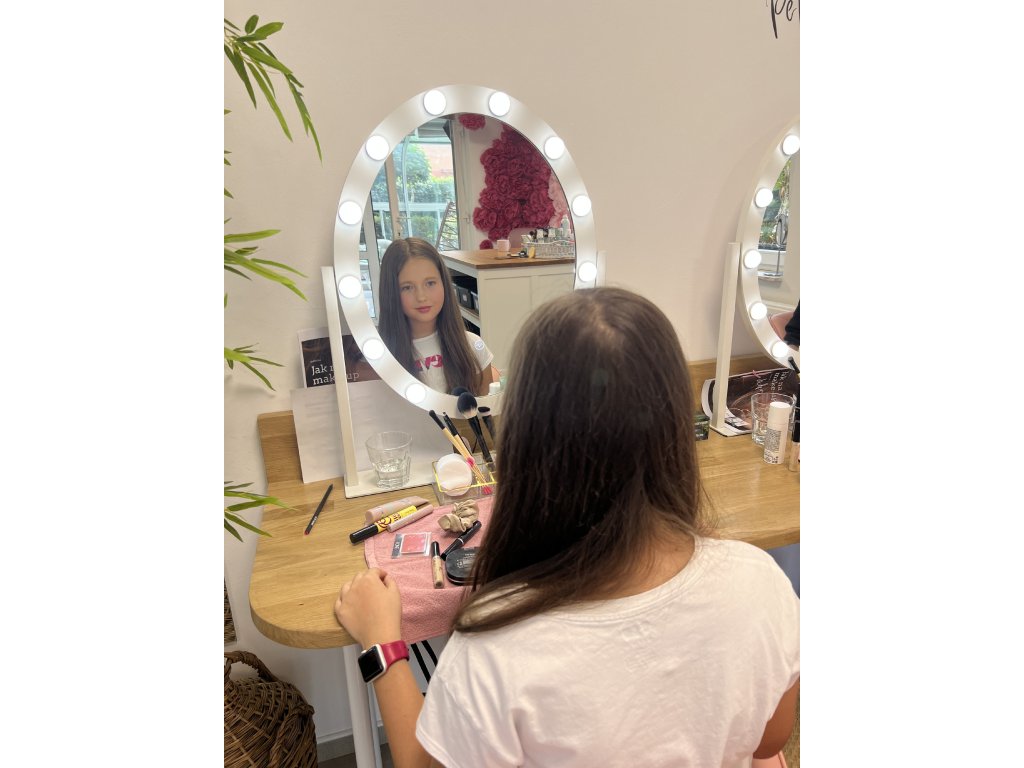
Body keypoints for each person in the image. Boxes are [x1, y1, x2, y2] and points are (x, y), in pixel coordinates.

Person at [335, 287, 800, 768]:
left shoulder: (495, 648)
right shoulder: (761, 582)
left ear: (526, 441)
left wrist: (382, 644)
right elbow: (769, 742)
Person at [378, 237, 497, 396]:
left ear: (444, 283)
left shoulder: (473, 347)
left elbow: (486, 409)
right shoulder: (379, 356)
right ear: (391, 292)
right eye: (407, 287)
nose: (421, 297)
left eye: (430, 283)